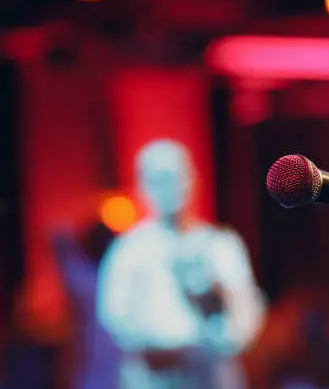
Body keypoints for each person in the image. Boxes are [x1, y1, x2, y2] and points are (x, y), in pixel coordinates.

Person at [97, 139, 266, 388]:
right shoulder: (129, 250)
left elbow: (246, 315)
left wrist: (220, 309)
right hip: (153, 380)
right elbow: (114, 316)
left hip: (210, 377)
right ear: (142, 185)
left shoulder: (220, 245)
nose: (169, 188)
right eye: (159, 179)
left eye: (177, 176)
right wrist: (150, 348)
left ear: (193, 179)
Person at [53, 222, 120, 389]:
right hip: (96, 359)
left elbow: (59, 241)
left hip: (99, 359)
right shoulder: (112, 278)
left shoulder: (83, 279)